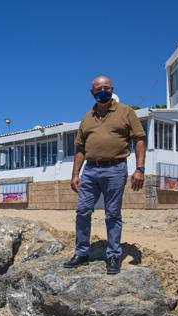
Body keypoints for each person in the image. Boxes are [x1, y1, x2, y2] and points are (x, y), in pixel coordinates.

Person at [63, 75, 146, 274]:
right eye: (98, 88)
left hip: (115, 168)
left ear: (112, 89)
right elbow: (80, 148)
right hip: (90, 170)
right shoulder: (87, 117)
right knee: (83, 211)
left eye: (106, 88)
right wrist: (76, 173)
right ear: (92, 92)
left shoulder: (125, 111)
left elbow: (140, 139)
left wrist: (140, 168)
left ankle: (113, 255)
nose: (103, 91)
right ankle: (81, 252)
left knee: (112, 213)